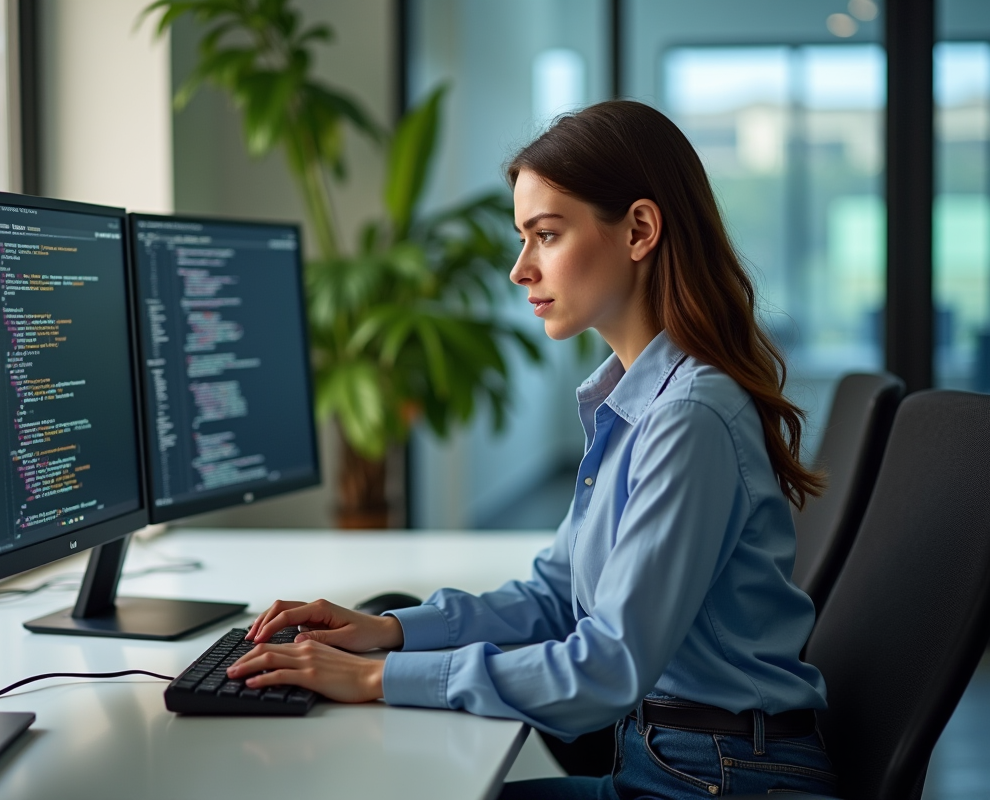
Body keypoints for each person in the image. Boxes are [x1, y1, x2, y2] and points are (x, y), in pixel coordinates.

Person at [227, 100, 838, 799]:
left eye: (545, 235)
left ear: (639, 229)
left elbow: (607, 667)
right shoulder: (636, 401)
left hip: (725, 780)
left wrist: (377, 679)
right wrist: (389, 632)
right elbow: (554, 596)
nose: (521, 270)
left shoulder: (687, 416)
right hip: (675, 762)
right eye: (523, 239)